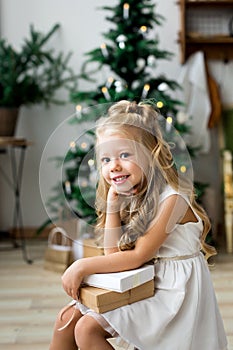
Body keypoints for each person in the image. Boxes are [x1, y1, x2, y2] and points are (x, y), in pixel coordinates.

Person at [49, 100, 227, 350]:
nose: (114, 166)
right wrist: (112, 207)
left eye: (124, 155)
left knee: (86, 329)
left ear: (149, 154)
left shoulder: (173, 199)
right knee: (65, 321)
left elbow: (138, 255)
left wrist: (82, 265)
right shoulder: (133, 195)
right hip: (144, 281)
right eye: (106, 159)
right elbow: (114, 257)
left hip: (173, 294)